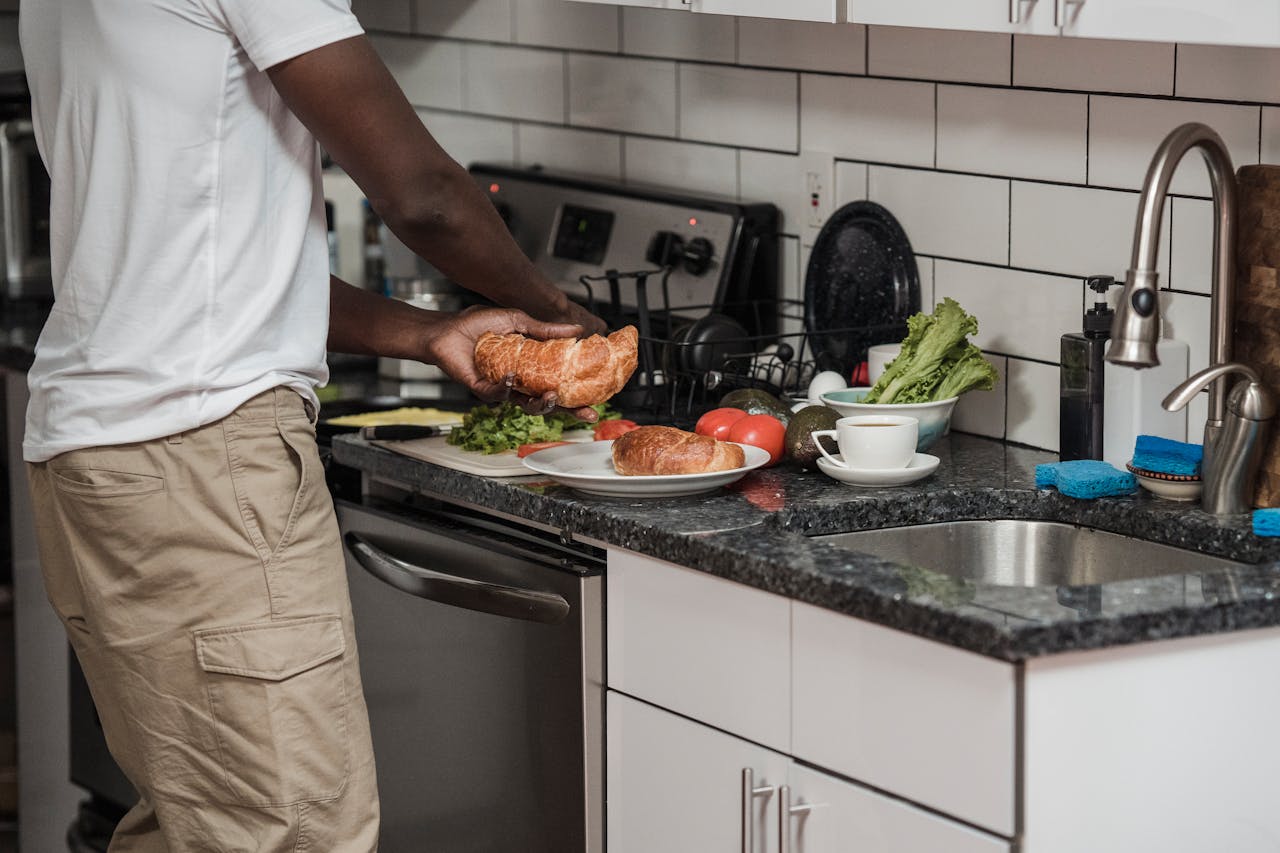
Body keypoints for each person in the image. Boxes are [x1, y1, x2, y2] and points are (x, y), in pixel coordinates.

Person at [19, 0, 605, 849]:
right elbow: (425, 196)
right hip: (202, 463)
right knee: (292, 832)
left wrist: (425, 330)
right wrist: (558, 315)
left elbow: (194, 262)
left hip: (99, 458)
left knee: (190, 826)